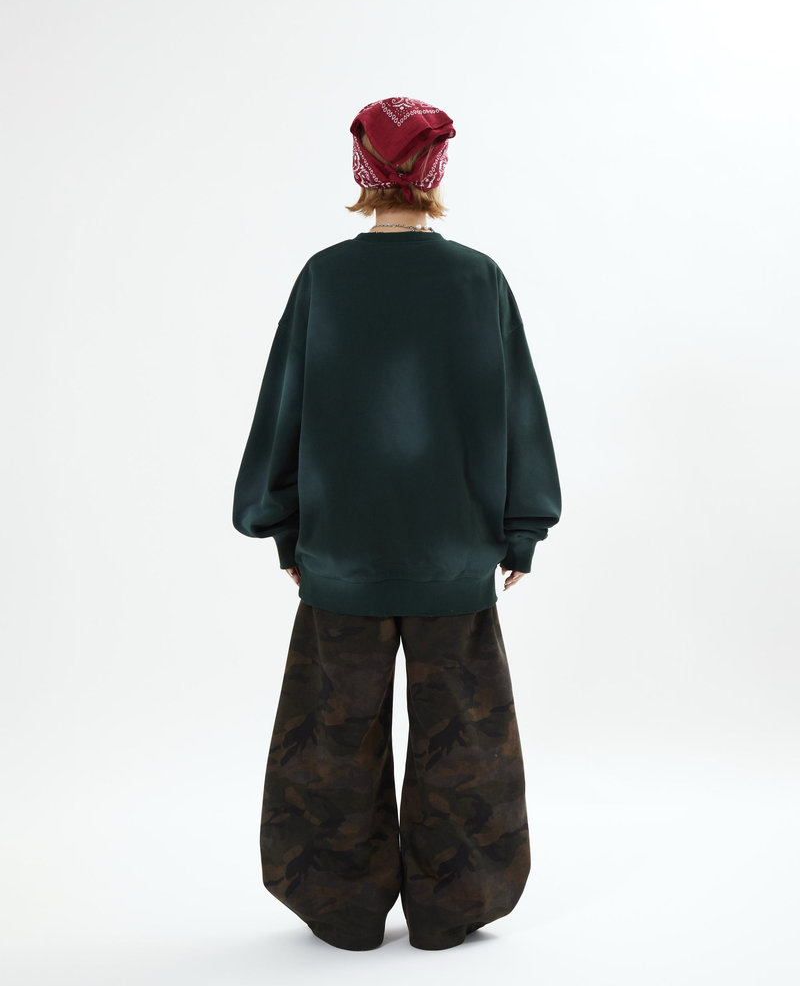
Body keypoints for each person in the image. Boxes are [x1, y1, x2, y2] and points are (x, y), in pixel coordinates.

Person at [232, 95, 562, 951]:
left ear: (363, 171)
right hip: (455, 556)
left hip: (340, 556)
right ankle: (452, 912)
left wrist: (282, 526)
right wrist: (522, 527)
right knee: (467, 745)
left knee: (330, 744)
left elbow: (285, 406)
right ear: (437, 171)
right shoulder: (478, 280)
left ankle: (340, 913)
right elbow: (518, 409)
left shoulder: (325, 280)